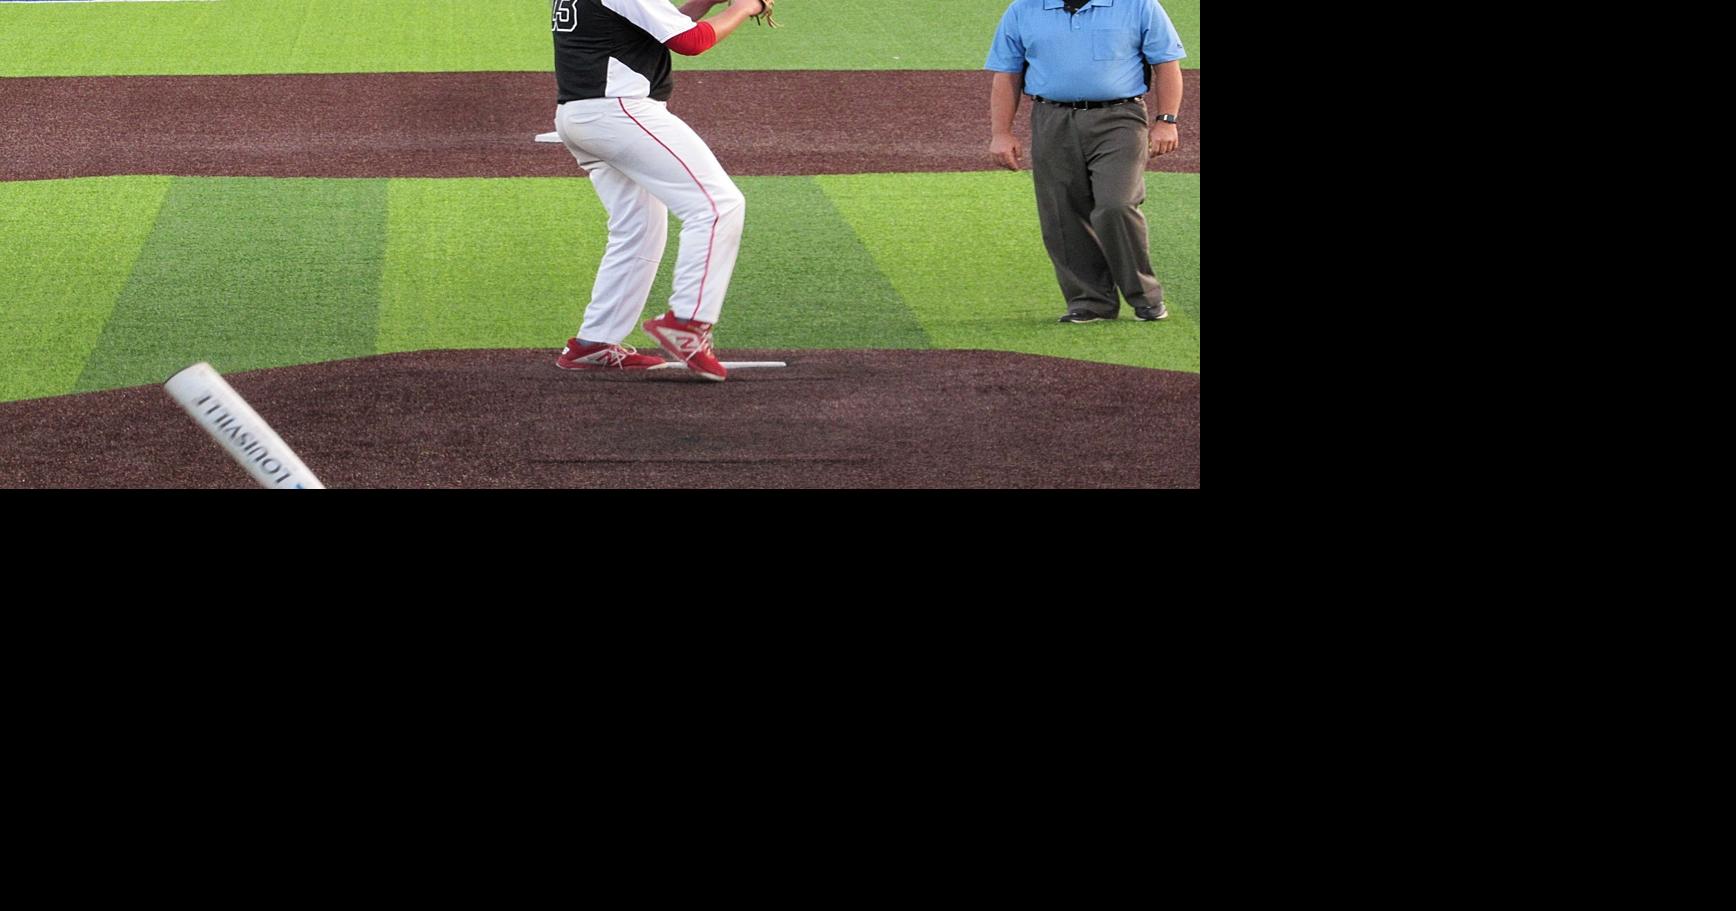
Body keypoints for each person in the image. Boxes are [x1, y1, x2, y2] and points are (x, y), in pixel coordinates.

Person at [551, 0, 768, 382]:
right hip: (621, 113)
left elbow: (656, 27)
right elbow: (690, 41)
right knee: (718, 206)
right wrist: (744, 9)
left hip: (582, 117)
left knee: (640, 228)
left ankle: (594, 342)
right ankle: (688, 322)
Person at [984, 0, 1186, 324]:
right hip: (1052, 118)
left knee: (1116, 204)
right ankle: (1090, 301)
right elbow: (1006, 75)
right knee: (1062, 212)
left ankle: (1145, 296)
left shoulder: (1138, 5)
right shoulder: (1023, 9)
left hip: (1120, 118)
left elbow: (1167, 65)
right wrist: (1001, 133)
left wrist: (1166, 121)